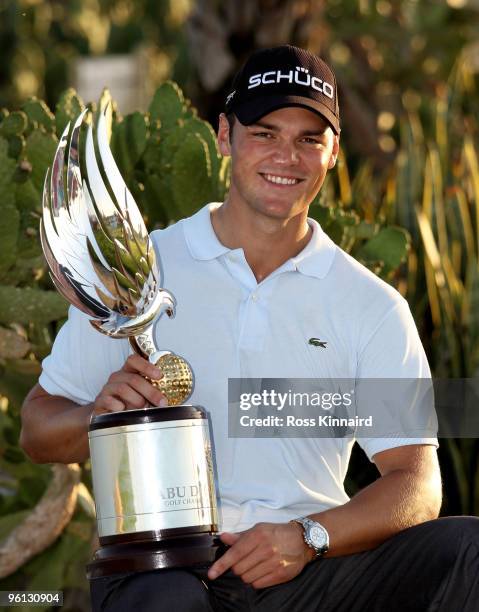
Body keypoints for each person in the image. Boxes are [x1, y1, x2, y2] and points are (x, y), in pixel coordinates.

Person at [21, 45, 478, 611]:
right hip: (165, 563)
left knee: (470, 549)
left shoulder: (371, 305)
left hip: (307, 566)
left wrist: (309, 538)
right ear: (223, 136)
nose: (286, 156)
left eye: (309, 139)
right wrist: (99, 418)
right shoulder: (139, 270)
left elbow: (416, 483)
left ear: (333, 152)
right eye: (264, 133)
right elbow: (38, 430)